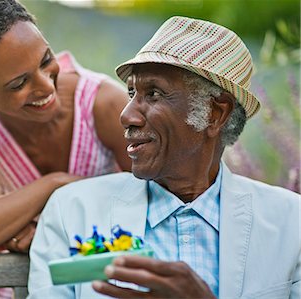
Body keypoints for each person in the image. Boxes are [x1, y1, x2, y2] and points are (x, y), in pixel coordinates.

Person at [28, 16, 301, 299]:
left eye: (154, 94)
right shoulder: (72, 211)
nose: (126, 115)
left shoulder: (292, 223)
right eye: (131, 92)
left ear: (215, 114)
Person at [0, 0, 131, 298]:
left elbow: (166, 204)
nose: (46, 87)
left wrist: (49, 223)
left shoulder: (104, 104)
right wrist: (53, 185)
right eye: (19, 83)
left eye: (46, 60)